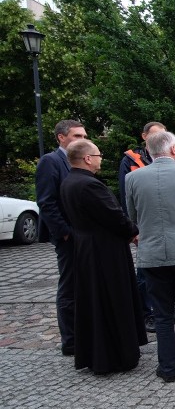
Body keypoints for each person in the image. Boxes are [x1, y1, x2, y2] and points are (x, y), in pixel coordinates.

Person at [60, 139, 148, 374]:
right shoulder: (90, 185)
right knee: (112, 299)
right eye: (98, 155)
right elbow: (114, 216)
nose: (101, 160)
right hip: (105, 251)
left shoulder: (69, 181)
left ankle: (97, 353)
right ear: (88, 158)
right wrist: (133, 232)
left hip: (87, 248)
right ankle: (117, 355)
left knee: (94, 301)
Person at [125, 130, 175, 383]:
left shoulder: (133, 178)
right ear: (173, 150)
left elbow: (132, 217)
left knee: (161, 314)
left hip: (151, 255)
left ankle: (168, 367)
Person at [35, 120, 87, 356]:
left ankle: (83, 333)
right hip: (69, 237)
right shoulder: (51, 161)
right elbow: (46, 202)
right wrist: (65, 232)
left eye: (84, 135)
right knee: (69, 287)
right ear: (61, 138)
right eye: (77, 136)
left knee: (82, 285)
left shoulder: (76, 161)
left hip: (83, 236)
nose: (82, 139)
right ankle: (71, 340)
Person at [118, 121, 166, 332]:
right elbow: (126, 197)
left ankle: (163, 309)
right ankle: (146, 312)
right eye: (155, 135)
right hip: (145, 225)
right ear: (144, 136)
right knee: (144, 272)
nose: (159, 138)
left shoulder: (167, 159)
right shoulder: (131, 161)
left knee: (165, 271)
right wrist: (132, 228)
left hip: (166, 223)